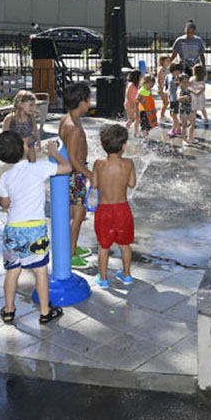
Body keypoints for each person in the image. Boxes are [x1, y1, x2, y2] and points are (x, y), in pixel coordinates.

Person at [0, 131, 70, 326]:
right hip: (34, 230)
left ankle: (9, 310)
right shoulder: (39, 168)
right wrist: (54, 152)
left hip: (12, 230)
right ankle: (45, 312)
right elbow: (66, 167)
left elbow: (4, 202)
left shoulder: (5, 177)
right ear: (25, 148)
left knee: (12, 271)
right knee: (40, 270)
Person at [90, 125, 136, 289]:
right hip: (122, 210)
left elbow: (94, 185)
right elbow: (132, 184)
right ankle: (126, 274)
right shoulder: (129, 163)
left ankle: (103, 278)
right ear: (124, 146)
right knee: (124, 245)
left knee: (103, 246)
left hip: (104, 211)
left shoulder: (98, 164)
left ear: (102, 146)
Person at [58, 82, 93, 268]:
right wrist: (90, 174)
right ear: (82, 102)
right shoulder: (74, 127)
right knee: (78, 215)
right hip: (75, 174)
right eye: (89, 99)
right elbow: (72, 158)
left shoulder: (67, 119)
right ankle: (70, 254)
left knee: (74, 214)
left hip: (74, 174)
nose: (90, 102)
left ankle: (72, 246)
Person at [2, 90, 40, 163]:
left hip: (30, 143)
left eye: (34, 105)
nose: (32, 108)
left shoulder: (31, 117)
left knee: (33, 163)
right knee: (22, 164)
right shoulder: (10, 118)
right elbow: (4, 136)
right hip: (17, 146)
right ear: (21, 104)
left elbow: (35, 130)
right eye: (30, 105)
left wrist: (39, 143)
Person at [136, 74, 159, 141]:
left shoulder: (148, 90)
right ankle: (145, 138)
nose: (151, 87)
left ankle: (145, 135)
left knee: (149, 125)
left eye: (152, 86)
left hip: (149, 111)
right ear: (144, 83)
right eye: (150, 86)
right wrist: (136, 111)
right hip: (144, 111)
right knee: (145, 125)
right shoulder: (141, 91)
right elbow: (136, 101)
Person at [166, 62, 183, 138]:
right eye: (175, 70)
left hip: (176, 99)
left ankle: (173, 130)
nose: (177, 72)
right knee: (173, 114)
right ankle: (178, 128)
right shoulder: (169, 76)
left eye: (178, 70)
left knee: (173, 114)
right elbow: (166, 85)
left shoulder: (178, 78)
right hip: (171, 98)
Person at [124, 70, 142, 138]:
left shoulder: (135, 84)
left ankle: (135, 132)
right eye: (140, 77)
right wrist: (131, 103)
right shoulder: (131, 84)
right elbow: (128, 95)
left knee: (137, 118)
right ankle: (126, 131)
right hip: (130, 104)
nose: (141, 78)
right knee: (131, 119)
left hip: (134, 103)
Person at [178, 73, 195, 143]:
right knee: (184, 126)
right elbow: (178, 98)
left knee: (193, 123)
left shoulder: (188, 90)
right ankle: (184, 140)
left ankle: (190, 137)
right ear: (179, 83)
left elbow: (196, 93)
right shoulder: (180, 91)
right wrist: (183, 97)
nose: (186, 84)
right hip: (183, 110)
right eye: (184, 82)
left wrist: (201, 89)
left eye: (187, 82)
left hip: (189, 109)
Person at [156, 55, 171, 122]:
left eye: (169, 61)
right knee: (166, 102)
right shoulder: (161, 69)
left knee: (165, 102)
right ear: (162, 61)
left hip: (165, 87)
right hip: (162, 88)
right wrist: (162, 89)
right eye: (167, 61)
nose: (168, 62)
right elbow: (160, 79)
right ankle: (162, 116)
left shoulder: (166, 68)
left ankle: (162, 115)